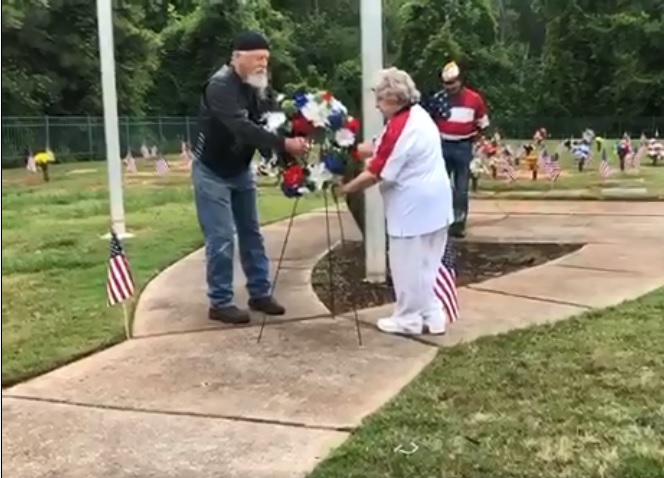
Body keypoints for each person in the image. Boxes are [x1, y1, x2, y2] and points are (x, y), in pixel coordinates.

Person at [191, 30, 309, 324]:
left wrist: (291, 154)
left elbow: (272, 123)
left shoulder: (259, 86)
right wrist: (284, 145)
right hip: (212, 171)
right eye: (258, 57)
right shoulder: (220, 86)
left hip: (240, 169)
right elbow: (242, 128)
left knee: (252, 233)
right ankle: (219, 302)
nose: (263, 64)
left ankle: (259, 293)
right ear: (237, 57)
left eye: (266, 58)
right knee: (220, 238)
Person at [338, 67, 454, 335]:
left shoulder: (401, 127)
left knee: (406, 264)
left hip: (412, 207)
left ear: (392, 98)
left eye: (379, 99)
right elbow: (378, 145)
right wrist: (346, 147)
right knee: (428, 263)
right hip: (437, 202)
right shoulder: (418, 116)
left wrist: (346, 188)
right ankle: (432, 315)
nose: (377, 105)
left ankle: (408, 318)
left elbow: (374, 172)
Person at [424, 61, 489, 238]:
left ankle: (459, 223)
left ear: (460, 81)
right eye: (446, 83)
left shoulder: (474, 99)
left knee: (461, 187)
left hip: (463, 146)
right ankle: (440, 221)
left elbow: (482, 123)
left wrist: (475, 139)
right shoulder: (438, 100)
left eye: (453, 82)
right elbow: (427, 122)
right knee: (441, 186)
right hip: (442, 146)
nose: (450, 87)